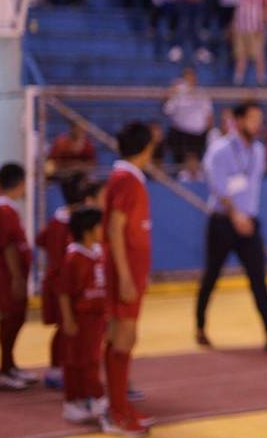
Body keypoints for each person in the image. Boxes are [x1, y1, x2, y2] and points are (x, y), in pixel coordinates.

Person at [197, 102, 267, 352]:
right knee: (212, 274)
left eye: (259, 119)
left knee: (259, 276)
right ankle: (199, 326)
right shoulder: (219, 150)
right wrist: (235, 215)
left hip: (249, 220)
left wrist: (247, 216)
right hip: (223, 221)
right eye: (251, 119)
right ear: (237, 120)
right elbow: (217, 186)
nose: (257, 124)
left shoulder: (259, 151)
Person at [102, 123, 155, 435]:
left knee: (123, 338)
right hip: (125, 271)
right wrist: (124, 275)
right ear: (146, 148)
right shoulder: (125, 179)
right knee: (122, 338)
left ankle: (118, 405)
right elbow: (114, 229)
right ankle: (116, 412)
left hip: (131, 269)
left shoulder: (129, 177)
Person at [37, 172, 88, 390]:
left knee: (63, 328)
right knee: (66, 327)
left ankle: (59, 368)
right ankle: (58, 369)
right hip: (64, 284)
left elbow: (41, 240)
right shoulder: (75, 226)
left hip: (55, 280)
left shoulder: (57, 221)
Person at [58, 206, 108, 426]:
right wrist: (68, 319)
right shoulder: (74, 257)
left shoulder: (97, 251)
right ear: (89, 230)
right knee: (80, 360)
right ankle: (88, 400)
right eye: (100, 226)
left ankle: (83, 399)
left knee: (90, 359)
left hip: (97, 318)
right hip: (81, 319)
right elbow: (64, 292)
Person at [0, 162, 34, 390]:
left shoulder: (7, 209)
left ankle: (10, 364)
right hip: (9, 277)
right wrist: (16, 277)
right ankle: (5, 368)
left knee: (16, 319)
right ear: (19, 183)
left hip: (14, 275)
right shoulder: (3, 210)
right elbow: (7, 246)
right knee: (10, 320)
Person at [163, 67, 213, 176]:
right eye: (187, 77)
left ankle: (197, 178)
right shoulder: (177, 93)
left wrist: (208, 133)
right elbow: (167, 110)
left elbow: (209, 116)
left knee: (197, 163)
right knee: (180, 163)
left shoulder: (202, 93)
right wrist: (170, 92)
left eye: (192, 76)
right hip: (181, 134)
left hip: (198, 135)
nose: (190, 79)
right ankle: (179, 177)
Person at [231, 0, 267, 85]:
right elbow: (237, 8)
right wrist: (234, 25)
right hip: (241, 27)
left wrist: (264, 25)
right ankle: (238, 78)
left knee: (258, 54)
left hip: (255, 28)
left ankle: (261, 78)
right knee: (240, 54)